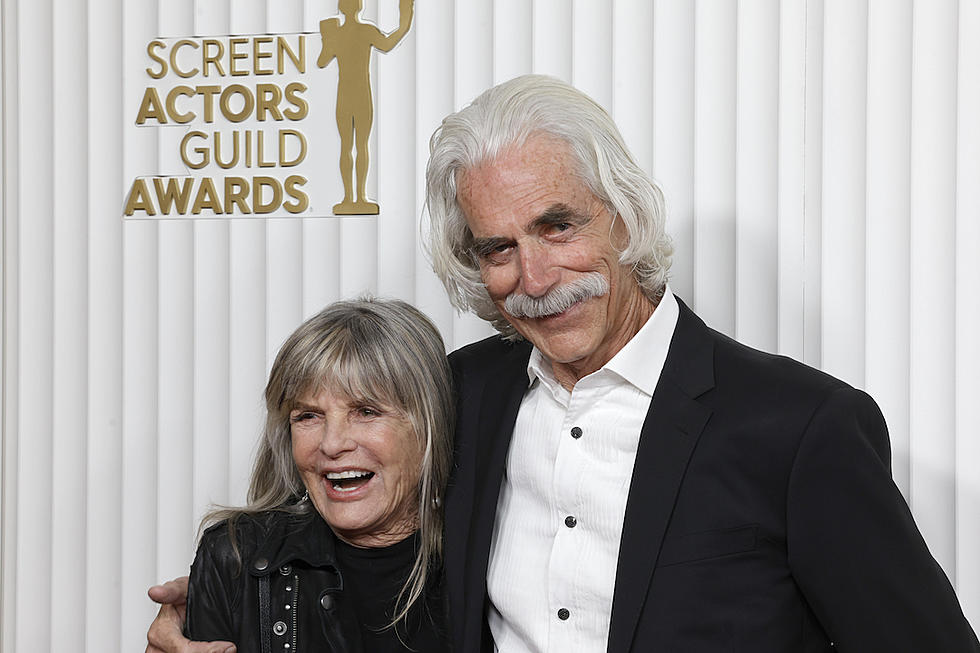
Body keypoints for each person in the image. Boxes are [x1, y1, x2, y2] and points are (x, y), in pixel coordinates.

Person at [148, 75, 980, 652]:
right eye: (498, 248)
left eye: (558, 226)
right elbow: (352, 512)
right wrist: (222, 607)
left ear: (623, 214)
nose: (535, 279)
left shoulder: (799, 427)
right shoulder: (463, 395)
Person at [156, 298, 452, 653]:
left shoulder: (486, 557)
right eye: (309, 416)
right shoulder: (235, 556)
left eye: (366, 411)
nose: (332, 444)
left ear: (429, 425)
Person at [317, 0, 413, 214]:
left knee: (353, 145)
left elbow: (323, 59)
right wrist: (404, 23)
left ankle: (356, 197)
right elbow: (322, 61)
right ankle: (353, 197)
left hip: (353, 94)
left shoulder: (352, 32)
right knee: (355, 145)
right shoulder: (352, 31)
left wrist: (328, 39)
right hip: (355, 94)